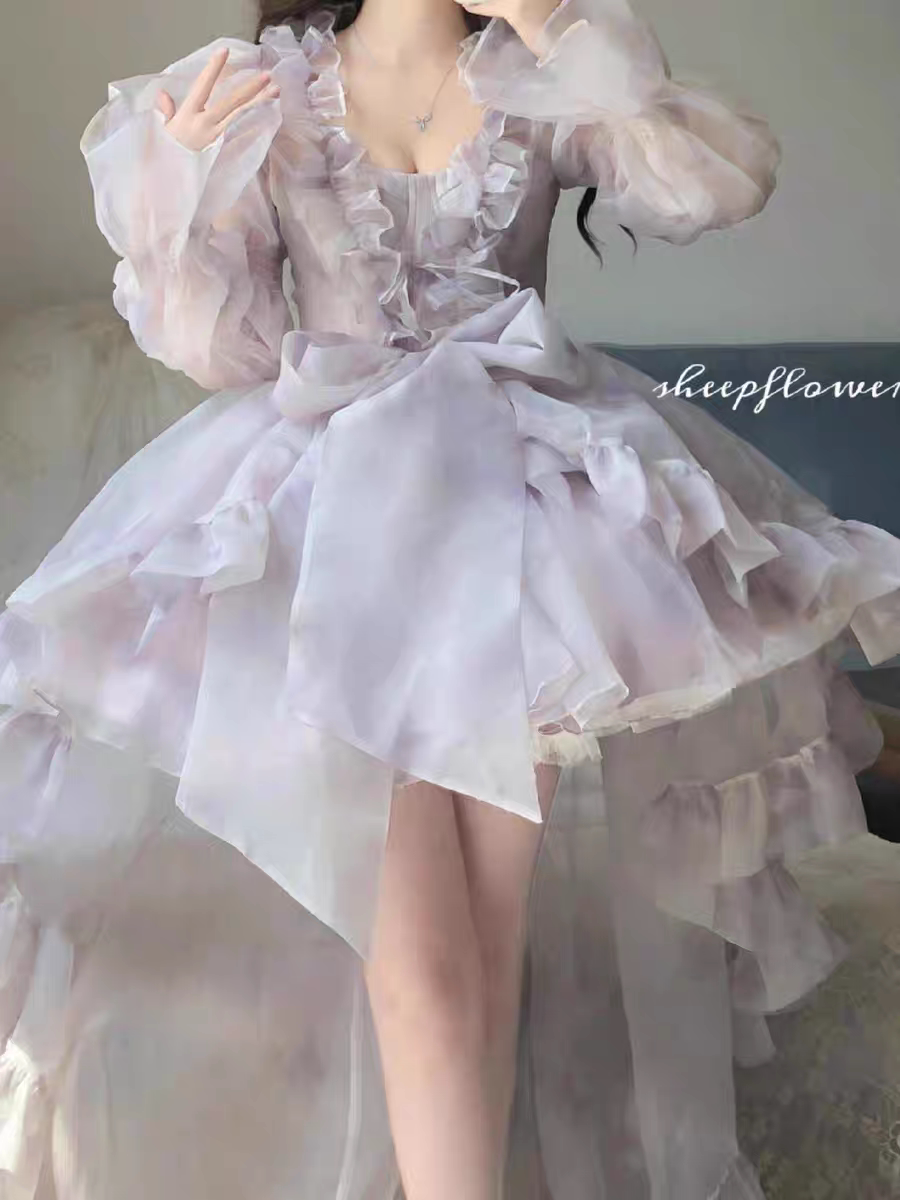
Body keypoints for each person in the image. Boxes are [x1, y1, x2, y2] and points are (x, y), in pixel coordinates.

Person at [0, 2, 896, 1198]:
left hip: (519, 519)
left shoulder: (537, 70)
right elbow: (228, 352)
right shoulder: (270, 87)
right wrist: (183, 196)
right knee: (421, 958)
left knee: (485, 938)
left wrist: (557, 20)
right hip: (340, 528)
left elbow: (716, 185)